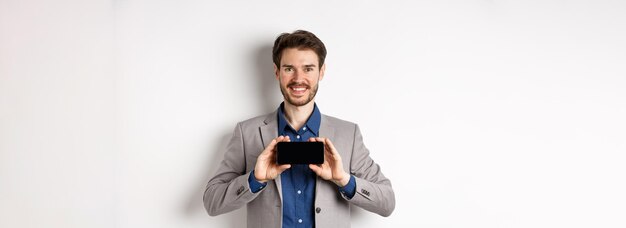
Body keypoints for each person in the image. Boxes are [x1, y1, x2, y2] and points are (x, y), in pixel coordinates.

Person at [203, 30, 395, 228]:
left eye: (308, 68)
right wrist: (255, 179)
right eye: (289, 69)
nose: (298, 78)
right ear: (277, 72)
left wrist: (343, 179)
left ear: (321, 72)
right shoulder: (247, 132)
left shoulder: (349, 134)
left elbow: (387, 203)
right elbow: (212, 202)